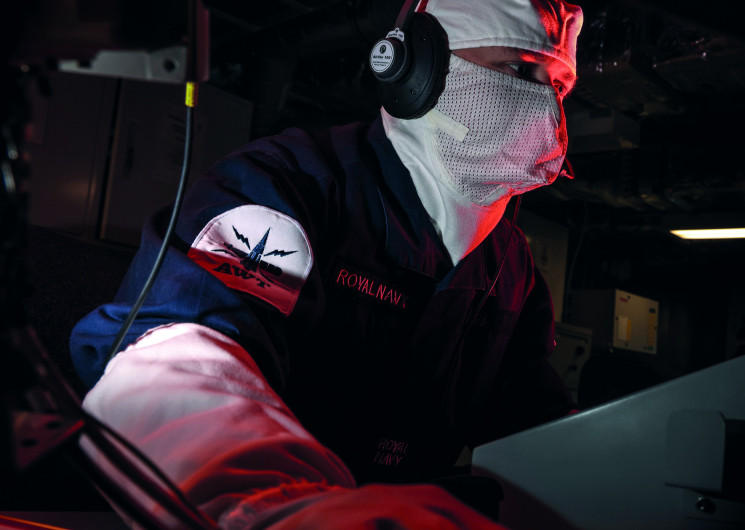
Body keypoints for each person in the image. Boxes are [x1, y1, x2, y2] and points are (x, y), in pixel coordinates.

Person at [69, 0, 583, 528]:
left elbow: (535, 436)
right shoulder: (285, 187)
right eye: (520, 69)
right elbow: (175, 359)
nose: (545, 105)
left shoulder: (511, 266)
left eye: (560, 86)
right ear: (418, 68)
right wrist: (279, 509)